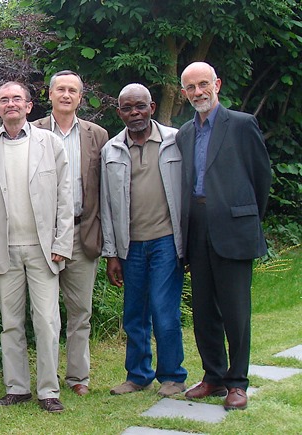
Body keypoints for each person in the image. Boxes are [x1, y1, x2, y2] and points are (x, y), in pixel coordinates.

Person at [0, 81, 73, 413]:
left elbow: (64, 198)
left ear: (29, 106)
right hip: (3, 248)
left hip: (43, 250)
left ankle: (48, 390)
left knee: (46, 321)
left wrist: (62, 242)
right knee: (10, 322)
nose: (10, 104)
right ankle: (17, 387)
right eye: (3, 100)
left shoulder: (50, 143)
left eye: (17, 99)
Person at [177, 62, 271, 411]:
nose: (198, 92)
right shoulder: (185, 133)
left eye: (203, 84)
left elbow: (261, 178)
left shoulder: (242, 125)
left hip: (234, 228)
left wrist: (245, 218)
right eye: (190, 87)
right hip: (197, 229)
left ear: (217, 83)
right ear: (184, 92)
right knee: (203, 311)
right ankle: (214, 376)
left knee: (235, 311)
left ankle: (237, 382)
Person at [101, 84, 188, 398]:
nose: (134, 113)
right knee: (134, 314)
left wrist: (187, 244)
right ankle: (138, 375)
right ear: (119, 112)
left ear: (152, 106)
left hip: (166, 241)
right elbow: (108, 207)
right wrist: (111, 254)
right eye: (127, 108)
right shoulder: (110, 150)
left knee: (165, 311)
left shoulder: (175, 141)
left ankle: (173, 376)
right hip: (130, 246)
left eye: (140, 106)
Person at [32, 70, 108, 396]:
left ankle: (78, 378)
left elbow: (105, 188)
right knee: (45, 314)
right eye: (60, 89)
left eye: (72, 90)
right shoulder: (30, 131)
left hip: (81, 231)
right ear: (48, 95)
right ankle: (46, 379)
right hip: (40, 235)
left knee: (81, 311)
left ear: (80, 97)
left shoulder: (97, 135)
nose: (66, 95)